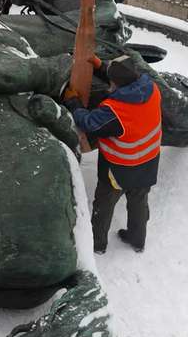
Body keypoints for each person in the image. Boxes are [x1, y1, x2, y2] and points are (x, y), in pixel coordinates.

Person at [62, 56, 161, 254]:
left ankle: (97, 245)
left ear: (116, 83)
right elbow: (121, 76)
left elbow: (89, 122)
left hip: (120, 168)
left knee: (104, 205)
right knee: (139, 201)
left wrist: (73, 102)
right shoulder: (151, 88)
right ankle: (137, 239)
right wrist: (99, 66)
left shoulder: (116, 111)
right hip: (148, 160)